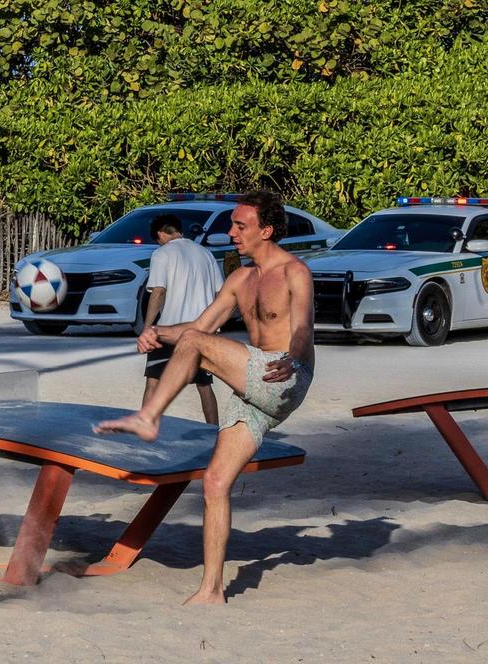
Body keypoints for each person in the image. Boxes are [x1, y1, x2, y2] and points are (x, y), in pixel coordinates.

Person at [95, 191, 315, 605]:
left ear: (266, 231)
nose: (231, 233)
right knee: (214, 482)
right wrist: (157, 332)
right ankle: (212, 589)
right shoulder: (240, 279)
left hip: (286, 374)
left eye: (241, 226)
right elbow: (199, 326)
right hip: (254, 385)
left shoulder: (294, 272)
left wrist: (294, 357)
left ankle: (149, 416)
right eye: (232, 225)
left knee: (197, 344)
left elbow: (302, 328)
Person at [141, 214, 224, 424]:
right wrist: (215, 325)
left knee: (153, 381)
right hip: (201, 332)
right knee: (204, 386)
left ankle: (144, 427)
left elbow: (158, 292)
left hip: (170, 330)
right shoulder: (205, 253)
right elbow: (220, 293)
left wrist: (147, 328)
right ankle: (213, 431)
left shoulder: (162, 253)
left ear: (161, 234)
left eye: (157, 239)